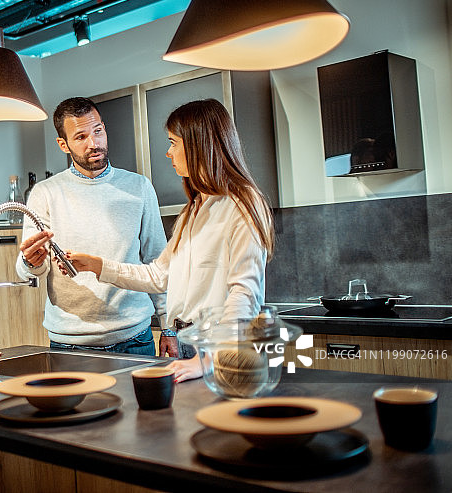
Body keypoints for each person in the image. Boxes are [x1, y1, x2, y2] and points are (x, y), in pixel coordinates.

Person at [61, 99, 275, 382]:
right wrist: (96, 265)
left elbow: (244, 294)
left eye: (173, 143)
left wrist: (206, 360)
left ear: (198, 144)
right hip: (191, 348)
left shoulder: (243, 204)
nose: (168, 152)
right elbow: (159, 276)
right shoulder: (194, 209)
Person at [17, 97, 170, 356]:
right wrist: (30, 261)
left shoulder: (139, 187)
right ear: (63, 144)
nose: (94, 143)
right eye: (81, 137)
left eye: (98, 131)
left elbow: (158, 262)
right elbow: (29, 272)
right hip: (70, 342)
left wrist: (168, 327)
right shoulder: (45, 193)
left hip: (134, 336)